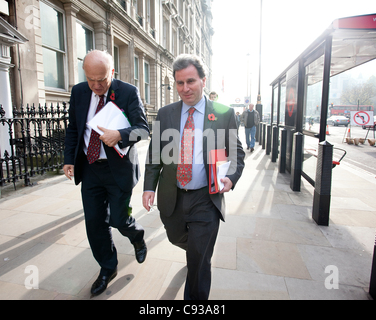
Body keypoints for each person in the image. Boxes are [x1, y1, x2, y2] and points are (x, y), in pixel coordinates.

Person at [142, 54, 245, 300]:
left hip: (206, 197)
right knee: (176, 236)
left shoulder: (223, 113)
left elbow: (236, 152)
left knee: (199, 263)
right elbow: (155, 152)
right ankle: (196, 251)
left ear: (203, 80)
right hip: (173, 195)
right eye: (179, 83)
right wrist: (149, 187)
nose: (185, 88)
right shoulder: (166, 114)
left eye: (190, 81)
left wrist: (231, 176)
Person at [63, 50, 149, 297]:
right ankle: (107, 268)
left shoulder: (128, 92)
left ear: (112, 72)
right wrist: (69, 159)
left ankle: (136, 235)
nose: (97, 85)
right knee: (94, 223)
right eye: (91, 79)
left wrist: (120, 135)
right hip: (90, 169)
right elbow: (73, 129)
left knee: (119, 219)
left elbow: (143, 130)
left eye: (102, 79)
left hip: (117, 170)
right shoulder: (79, 92)